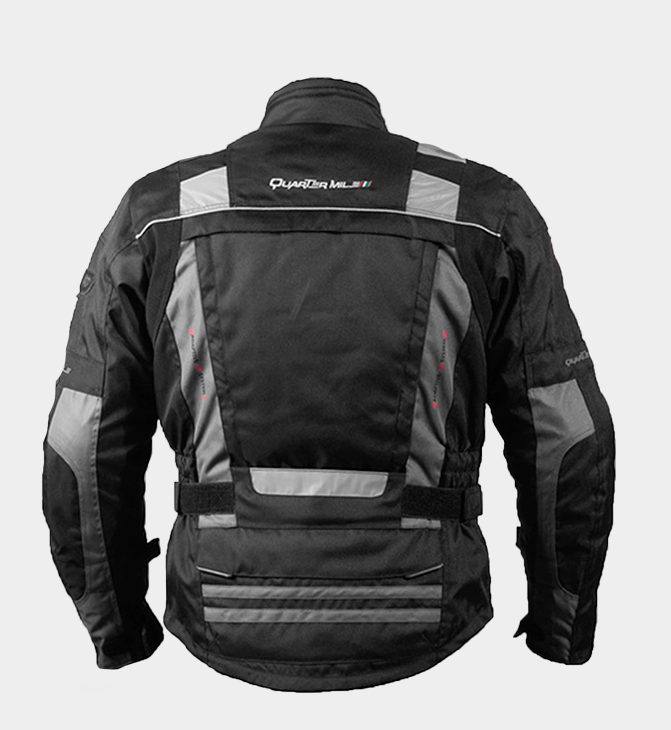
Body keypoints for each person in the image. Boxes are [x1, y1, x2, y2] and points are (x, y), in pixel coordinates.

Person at [42, 78, 615, 691]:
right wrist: (560, 633)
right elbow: (567, 434)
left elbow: (80, 439)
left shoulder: (162, 214)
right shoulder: (481, 210)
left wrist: (121, 633)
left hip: (220, 610)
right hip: (430, 621)